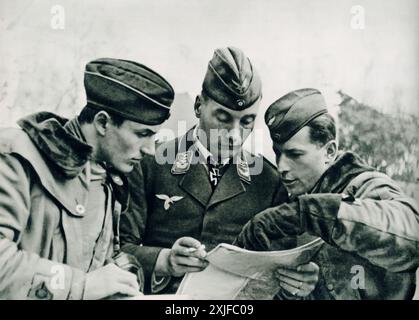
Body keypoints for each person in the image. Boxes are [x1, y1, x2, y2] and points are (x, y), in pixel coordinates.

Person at [120, 47, 319, 297]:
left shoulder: (269, 182)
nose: (234, 135)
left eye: (246, 122)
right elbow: (118, 250)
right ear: (198, 106)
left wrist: (297, 282)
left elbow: (280, 267)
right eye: (223, 118)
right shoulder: (150, 163)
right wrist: (164, 260)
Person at [0, 58, 174, 299]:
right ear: (102, 122)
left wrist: (123, 279)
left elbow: (96, 262)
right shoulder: (15, 157)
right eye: (142, 134)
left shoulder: (107, 176)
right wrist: (80, 286)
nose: (150, 150)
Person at [235, 88, 419, 299]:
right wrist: (294, 289)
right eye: (278, 154)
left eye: (295, 154)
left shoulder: (365, 185)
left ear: (329, 152)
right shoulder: (289, 202)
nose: (282, 167)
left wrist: (307, 213)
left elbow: (412, 237)